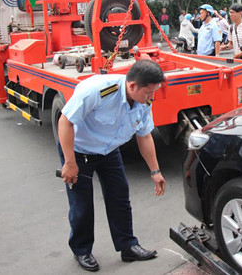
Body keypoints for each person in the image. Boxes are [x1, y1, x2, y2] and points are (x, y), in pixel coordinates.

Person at [57, 59, 166, 272]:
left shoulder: (144, 102)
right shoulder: (97, 91)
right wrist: (69, 162)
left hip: (108, 150)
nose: (151, 97)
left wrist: (155, 171)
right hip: (79, 151)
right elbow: (65, 121)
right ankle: (81, 249)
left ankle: (128, 246)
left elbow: (144, 137)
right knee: (82, 203)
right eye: (148, 93)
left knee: (120, 197)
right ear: (132, 85)